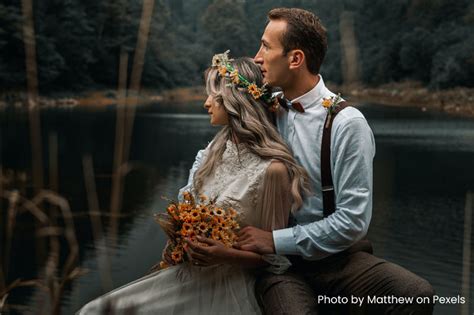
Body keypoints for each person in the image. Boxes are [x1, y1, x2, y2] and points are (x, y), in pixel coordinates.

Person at [229, 7, 435, 314]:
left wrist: (275, 239)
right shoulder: (262, 111)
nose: (257, 57)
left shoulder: (346, 123)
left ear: (295, 59)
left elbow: (353, 221)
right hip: (282, 268)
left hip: (341, 260)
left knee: (415, 294)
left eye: (266, 47)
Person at [77, 56, 310, 314]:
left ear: (234, 101)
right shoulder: (213, 152)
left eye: (213, 95)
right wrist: (177, 244)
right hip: (187, 274)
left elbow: (274, 259)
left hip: (228, 285)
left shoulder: (273, 170)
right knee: (93, 310)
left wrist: (225, 255)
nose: (206, 103)